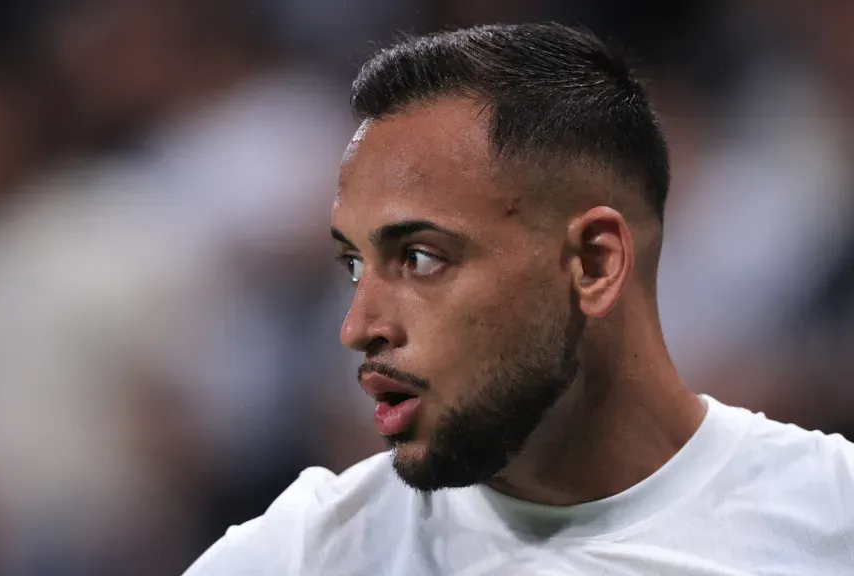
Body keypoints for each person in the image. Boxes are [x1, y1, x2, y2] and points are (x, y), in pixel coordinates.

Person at [184, 23, 854, 575]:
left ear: (594, 263)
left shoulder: (832, 517)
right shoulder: (301, 556)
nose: (359, 327)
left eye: (421, 258)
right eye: (356, 264)